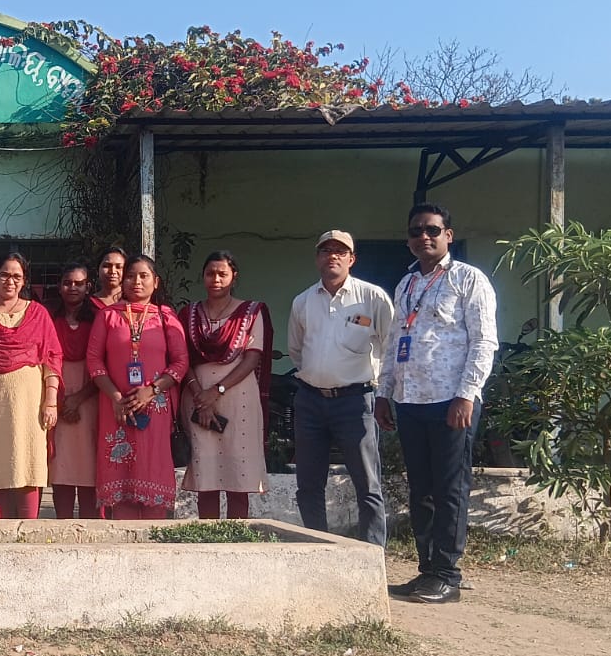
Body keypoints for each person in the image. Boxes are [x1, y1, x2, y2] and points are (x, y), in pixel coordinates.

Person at [377, 203, 497, 604]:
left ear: (448, 235)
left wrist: (467, 394)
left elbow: (484, 341)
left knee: (449, 489)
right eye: (416, 231)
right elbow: (395, 342)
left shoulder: (468, 279)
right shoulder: (407, 284)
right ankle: (427, 571)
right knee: (422, 490)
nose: (423, 237)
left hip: (451, 401)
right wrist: (384, 392)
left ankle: (448, 575)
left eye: (432, 230)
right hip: (411, 399)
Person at [287, 230, 395, 546]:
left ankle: (371, 554)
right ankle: (318, 547)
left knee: (367, 483)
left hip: (356, 401)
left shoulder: (372, 298)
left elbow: (390, 345)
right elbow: (296, 350)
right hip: (310, 401)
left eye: (340, 251)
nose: (332, 256)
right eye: (325, 250)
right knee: (309, 484)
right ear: (317, 258)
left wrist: (384, 391)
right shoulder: (303, 301)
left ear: (352, 259)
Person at [88, 255, 189, 519]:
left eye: (144, 276)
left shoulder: (165, 316)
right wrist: (115, 397)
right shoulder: (108, 316)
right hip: (117, 408)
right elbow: (94, 360)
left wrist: (152, 390)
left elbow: (181, 363)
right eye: (131, 276)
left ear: (156, 282)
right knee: (121, 475)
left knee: (152, 468)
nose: (136, 282)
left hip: (155, 408)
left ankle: (153, 536)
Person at [179, 251, 272, 520]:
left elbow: (252, 358)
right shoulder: (189, 314)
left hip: (237, 398)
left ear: (234, 277)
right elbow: (181, 358)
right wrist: (200, 395)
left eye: (222, 274)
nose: (216, 279)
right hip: (197, 399)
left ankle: (237, 535)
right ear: (203, 276)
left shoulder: (251, 312)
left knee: (237, 472)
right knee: (205, 471)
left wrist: (216, 391)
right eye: (210, 273)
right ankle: (207, 534)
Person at [0, 253, 62, 519]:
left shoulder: (38, 314)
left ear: (24, 281)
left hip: (30, 405)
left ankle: (28, 531)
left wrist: (51, 401)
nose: (9, 281)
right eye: (4, 275)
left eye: (16, 276)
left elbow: (52, 358)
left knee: (28, 463)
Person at [49, 263, 100, 518]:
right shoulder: (49, 317)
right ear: (59, 287)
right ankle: (62, 526)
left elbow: (105, 363)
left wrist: (78, 399)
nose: (72, 287)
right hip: (56, 395)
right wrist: (59, 401)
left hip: (91, 397)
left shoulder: (100, 318)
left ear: (88, 287)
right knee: (61, 466)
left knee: (89, 465)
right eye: (67, 282)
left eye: (79, 283)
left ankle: (90, 528)